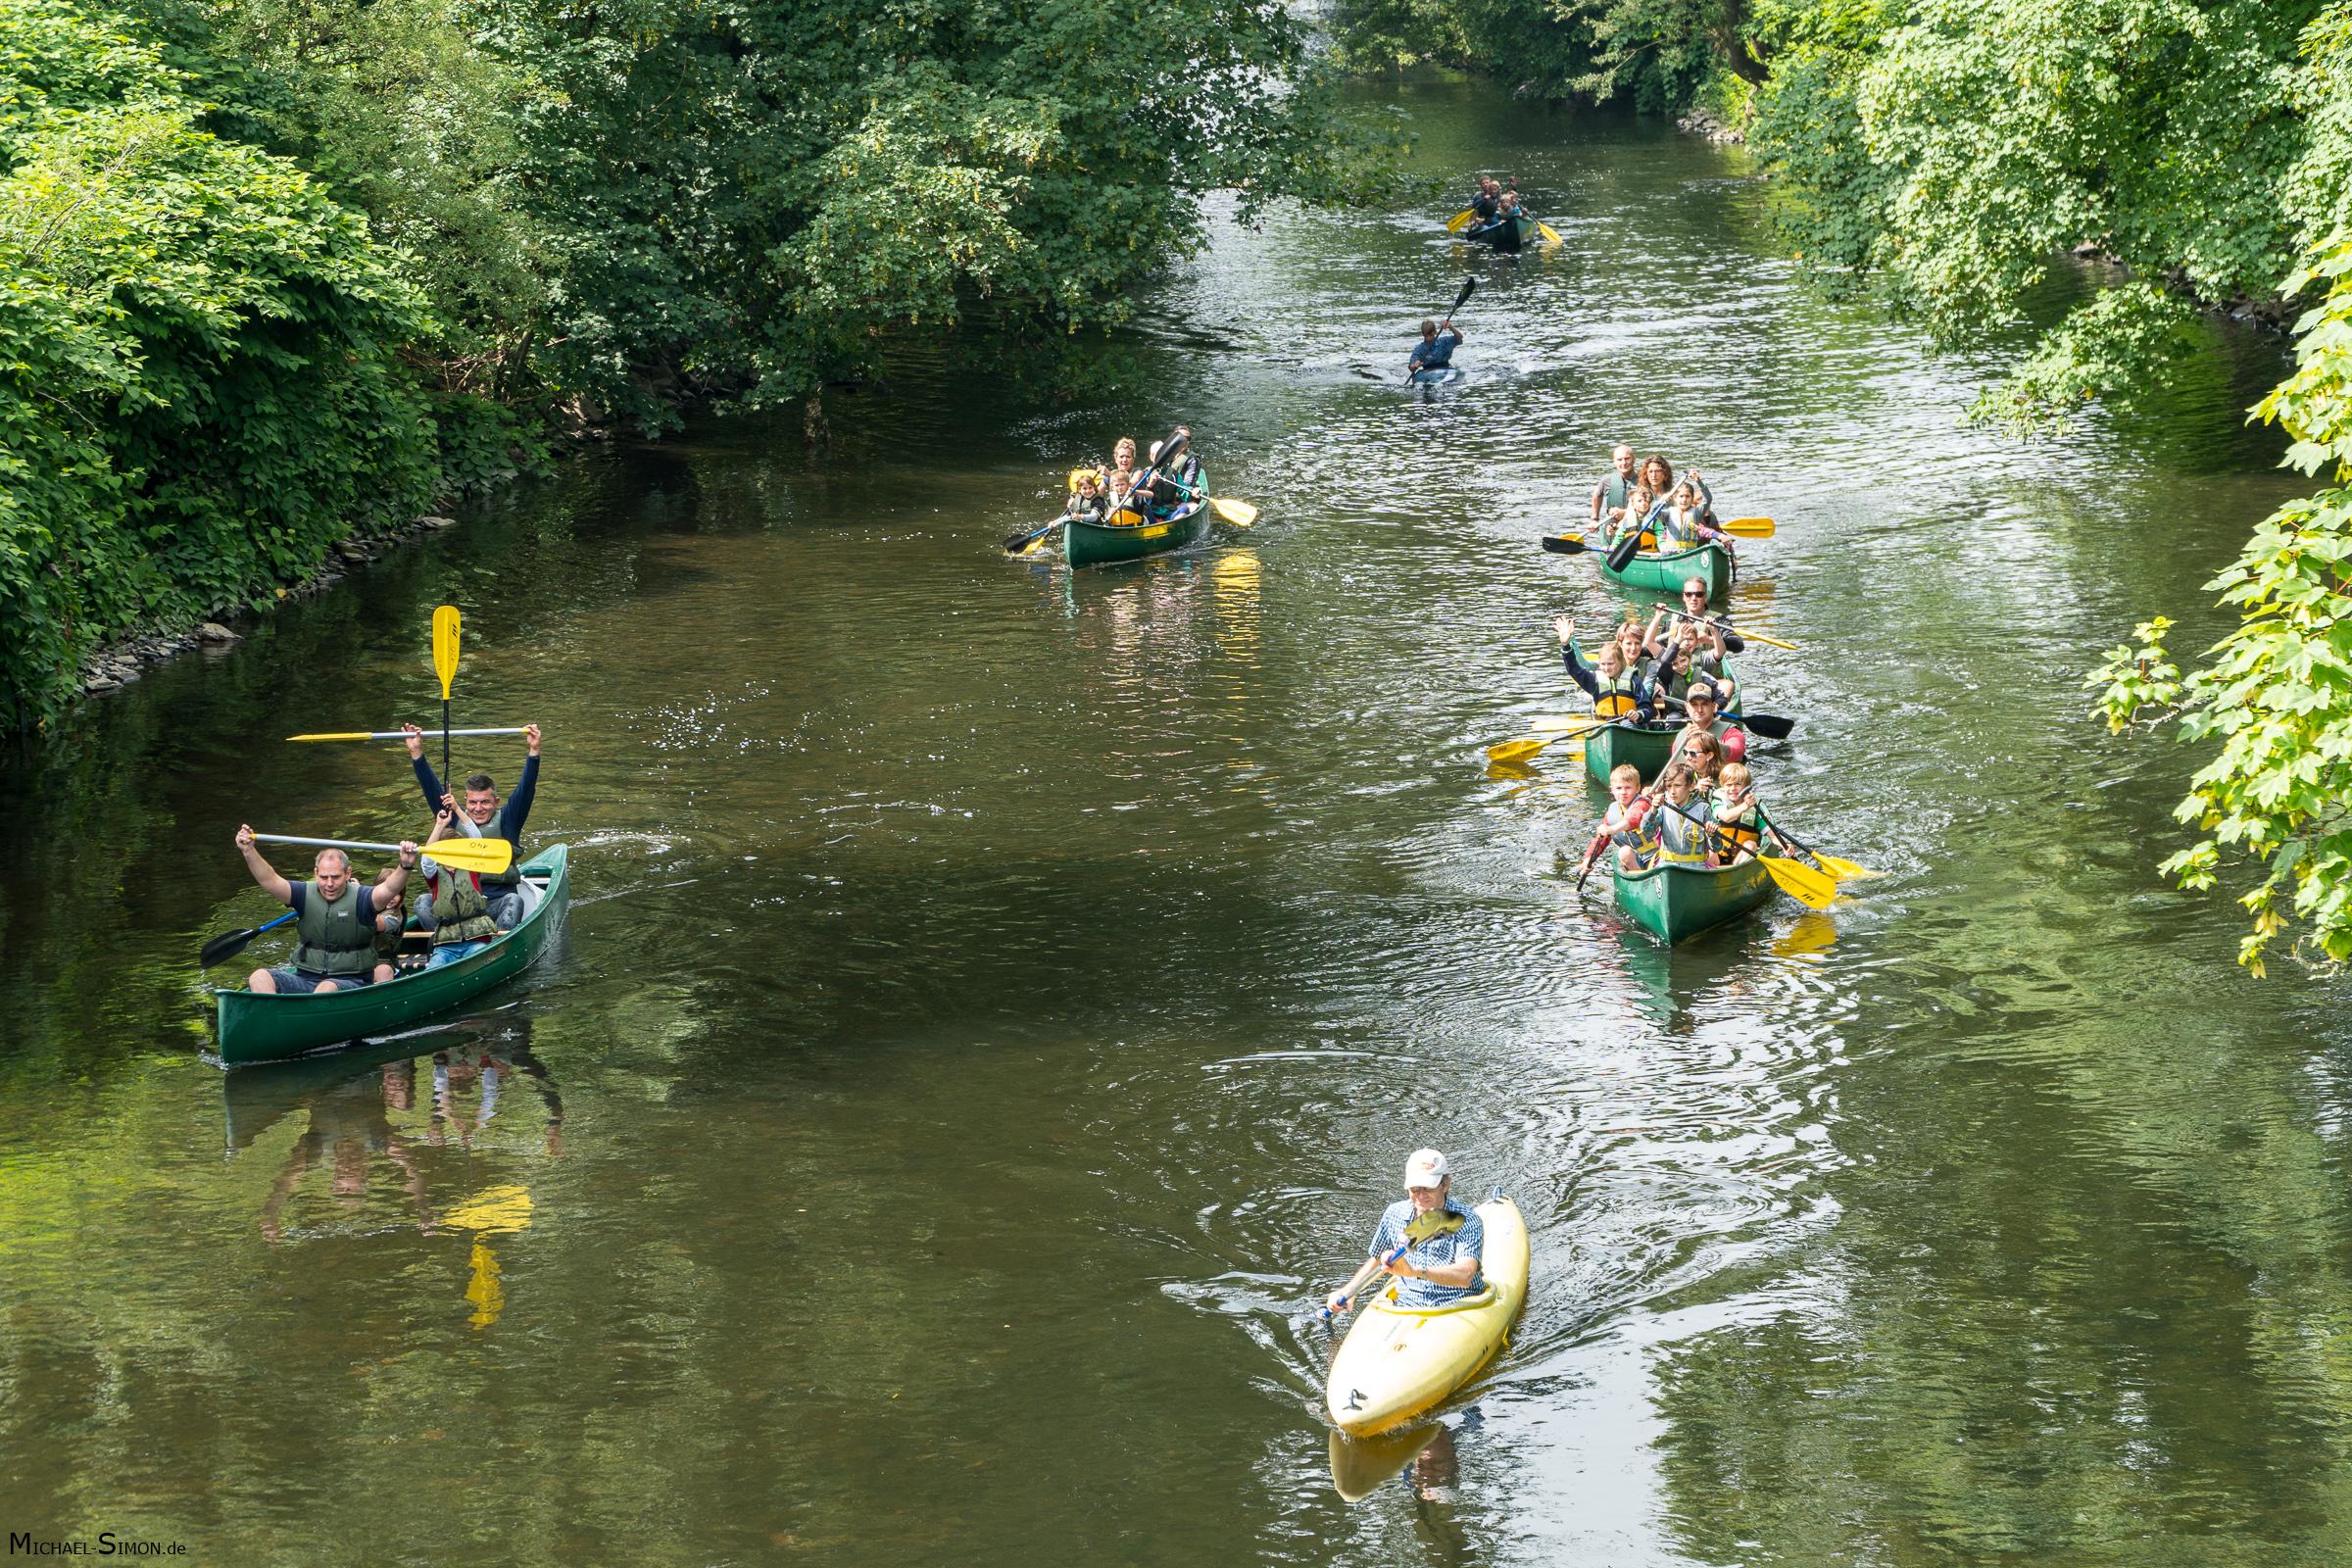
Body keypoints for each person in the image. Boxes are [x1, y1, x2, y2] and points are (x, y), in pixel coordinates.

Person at [234, 825, 416, 994]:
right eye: (323, 877)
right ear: (315, 874)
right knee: (259, 977)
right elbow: (270, 880)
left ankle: (304, 1020)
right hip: (305, 977)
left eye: (335, 877)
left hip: (352, 980)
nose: (329, 884)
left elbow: (390, 888)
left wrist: (405, 865)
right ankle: (273, 1016)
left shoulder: (364, 898)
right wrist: (248, 850)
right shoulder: (302, 894)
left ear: (348, 874)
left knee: (326, 987)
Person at [402, 721, 540, 929]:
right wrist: (416, 754)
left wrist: (534, 751)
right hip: (457, 901)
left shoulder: (509, 820)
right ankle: (444, 937)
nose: (478, 808)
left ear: (496, 801)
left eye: (485, 802)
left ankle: (496, 945)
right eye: (472, 802)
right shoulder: (453, 817)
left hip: (496, 901)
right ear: (464, 802)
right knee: (422, 902)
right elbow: (432, 790)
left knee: (515, 901)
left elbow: (526, 788)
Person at [1325, 1149, 1487, 1314]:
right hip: (1407, 1305)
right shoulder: (1394, 1213)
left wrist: (1415, 1271)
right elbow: (1377, 1258)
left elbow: (1465, 1275)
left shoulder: (1467, 1220)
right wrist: (1350, 1291)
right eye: (1415, 1188)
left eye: (1428, 1188)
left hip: (1459, 1302)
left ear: (1445, 1185)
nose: (1421, 1196)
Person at [417, 808, 501, 969]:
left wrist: (456, 809)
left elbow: (477, 839)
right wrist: (439, 825)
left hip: (477, 940)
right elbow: (427, 859)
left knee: (477, 961)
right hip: (447, 945)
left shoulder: (472, 868)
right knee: (434, 967)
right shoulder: (434, 874)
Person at [1554, 614, 1652, 721]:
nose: (1606, 668)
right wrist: (1566, 644)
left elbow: (1646, 708)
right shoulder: (1594, 681)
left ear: (1621, 662)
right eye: (1603, 664)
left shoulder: (1634, 680)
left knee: (1627, 724)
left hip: (1628, 723)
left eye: (1610, 664)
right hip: (1603, 724)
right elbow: (1574, 669)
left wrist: (1638, 715)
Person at [1621, 764, 1713, 871]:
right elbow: (1647, 832)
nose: (1672, 791)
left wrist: (1712, 835)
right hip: (1667, 867)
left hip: (1697, 868)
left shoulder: (1704, 808)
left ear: (1691, 786)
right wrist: (1653, 810)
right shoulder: (1662, 808)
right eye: (1669, 786)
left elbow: (1717, 847)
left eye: (1677, 786)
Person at [1675, 680, 1747, 763]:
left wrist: (1707, 741)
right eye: (1694, 704)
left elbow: (1737, 753)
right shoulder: (1680, 736)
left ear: (1713, 707)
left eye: (1705, 704)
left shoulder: (1731, 732)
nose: (1699, 710)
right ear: (1687, 707)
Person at [1589, 445, 1638, 531]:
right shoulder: (1606, 480)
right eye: (1619, 460)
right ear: (1614, 461)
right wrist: (1595, 519)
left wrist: (1625, 512)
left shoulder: (1644, 480)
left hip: (1636, 524)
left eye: (1627, 458)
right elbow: (1597, 495)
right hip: (1612, 525)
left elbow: (1651, 507)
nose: (1623, 463)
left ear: (1634, 459)